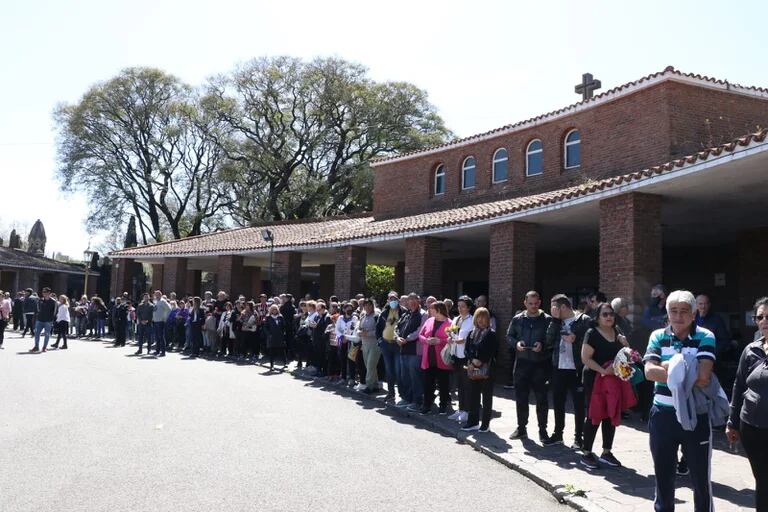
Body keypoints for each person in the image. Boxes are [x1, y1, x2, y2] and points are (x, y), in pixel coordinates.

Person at [644, 290, 716, 512]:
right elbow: (648, 372)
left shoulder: (705, 336)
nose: (678, 316)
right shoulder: (657, 335)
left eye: (684, 311)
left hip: (696, 414)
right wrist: (683, 367)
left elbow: (704, 377)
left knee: (700, 479)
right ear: (667, 313)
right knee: (663, 475)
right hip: (662, 415)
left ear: (694, 314)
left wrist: (667, 366)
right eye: (673, 311)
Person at [726, 297, 768, 512]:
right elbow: (739, 384)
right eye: (759, 317)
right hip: (751, 426)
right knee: (762, 479)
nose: (764, 321)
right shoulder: (751, 350)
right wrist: (732, 421)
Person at [579, 302, 631, 469]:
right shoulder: (591, 333)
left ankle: (606, 452)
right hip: (594, 378)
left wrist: (625, 344)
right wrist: (602, 370)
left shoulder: (617, 332)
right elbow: (585, 358)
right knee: (594, 414)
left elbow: (628, 355)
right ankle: (586, 453)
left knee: (611, 412)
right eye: (605, 314)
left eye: (611, 314)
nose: (609, 317)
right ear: (598, 317)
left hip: (613, 379)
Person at [544, 294, 591, 449]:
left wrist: (575, 339)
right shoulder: (556, 321)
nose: (552, 311)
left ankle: (579, 438)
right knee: (558, 402)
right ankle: (558, 434)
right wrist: (555, 320)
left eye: (554, 307)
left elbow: (590, 343)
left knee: (578, 404)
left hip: (576, 368)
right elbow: (548, 341)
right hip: (559, 367)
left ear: (563, 307)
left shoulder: (583, 320)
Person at [507, 291, 552, 442]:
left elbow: (552, 339)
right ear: (525, 303)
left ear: (539, 303)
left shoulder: (547, 319)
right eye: (530, 303)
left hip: (540, 364)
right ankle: (521, 428)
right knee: (521, 398)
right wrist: (516, 344)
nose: (533, 306)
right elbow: (509, 336)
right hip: (521, 364)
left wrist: (543, 345)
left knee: (542, 399)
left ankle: (543, 430)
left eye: (536, 303)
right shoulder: (517, 319)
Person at [461, 307, 498, 432]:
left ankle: (485, 424)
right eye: (479, 317)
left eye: (484, 317)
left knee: (487, 397)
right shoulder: (471, 333)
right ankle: (472, 422)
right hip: (472, 367)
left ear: (488, 319)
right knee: (473, 396)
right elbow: (467, 350)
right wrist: (471, 361)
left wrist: (480, 360)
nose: (481, 320)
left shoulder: (491, 333)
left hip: (486, 369)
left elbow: (492, 351)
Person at [418, 301, 452, 415]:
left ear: (439, 310)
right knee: (428, 384)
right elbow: (420, 335)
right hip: (429, 359)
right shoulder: (429, 320)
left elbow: (452, 339)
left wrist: (440, 341)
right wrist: (426, 340)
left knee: (443, 384)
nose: (429, 310)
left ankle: (443, 405)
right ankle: (426, 405)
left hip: (442, 359)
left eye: (432, 308)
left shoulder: (450, 323)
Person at [395, 293, 427, 410]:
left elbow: (420, 330)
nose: (412, 301)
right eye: (410, 300)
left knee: (416, 377)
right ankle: (407, 398)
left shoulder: (423, 315)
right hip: (404, 349)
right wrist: (397, 337)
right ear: (407, 302)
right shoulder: (406, 314)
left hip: (415, 351)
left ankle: (417, 401)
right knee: (405, 376)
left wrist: (407, 339)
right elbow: (397, 328)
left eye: (414, 299)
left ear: (419, 301)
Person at [447, 296, 474, 422]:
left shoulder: (472, 320)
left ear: (468, 307)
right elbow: (452, 333)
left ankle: (467, 411)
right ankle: (461, 409)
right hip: (456, 354)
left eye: (463, 306)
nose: (460, 308)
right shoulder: (456, 319)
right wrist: (450, 337)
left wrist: (460, 340)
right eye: (458, 306)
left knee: (467, 384)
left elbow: (470, 338)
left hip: (465, 355)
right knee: (459, 384)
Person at [376, 292, 406, 401]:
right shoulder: (384, 312)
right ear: (388, 301)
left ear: (398, 300)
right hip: (385, 344)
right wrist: (379, 340)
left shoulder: (404, 312)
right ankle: (391, 393)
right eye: (390, 299)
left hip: (397, 345)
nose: (393, 301)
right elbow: (378, 328)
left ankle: (402, 395)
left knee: (398, 370)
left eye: (395, 299)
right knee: (389, 370)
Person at [694, 294, 731, 361]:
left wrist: (711, 353)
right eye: (700, 304)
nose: (703, 306)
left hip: (711, 356)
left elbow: (724, 340)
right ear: (696, 305)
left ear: (709, 305)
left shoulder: (717, 319)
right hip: (692, 356)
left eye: (706, 304)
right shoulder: (691, 319)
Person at [357, 299, 381, 393]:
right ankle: (375, 385)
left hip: (374, 344)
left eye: (369, 305)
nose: (367, 307)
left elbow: (380, 331)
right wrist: (359, 332)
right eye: (365, 305)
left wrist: (368, 333)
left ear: (372, 306)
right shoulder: (362, 316)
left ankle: (369, 386)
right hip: (365, 344)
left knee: (371, 365)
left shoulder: (376, 316)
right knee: (369, 365)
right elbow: (358, 328)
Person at [31, 287, 56, 352]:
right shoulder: (40, 300)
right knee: (36, 333)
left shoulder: (53, 302)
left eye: (45, 292)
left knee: (47, 334)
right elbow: (37, 310)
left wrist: (52, 320)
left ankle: (44, 347)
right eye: (43, 292)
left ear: (49, 293)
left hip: (48, 321)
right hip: (39, 320)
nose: (43, 293)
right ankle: (36, 346)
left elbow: (55, 312)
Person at [263, 304, 288, 370]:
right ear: (271, 310)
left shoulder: (280, 317)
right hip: (271, 337)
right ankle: (272, 365)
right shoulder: (268, 317)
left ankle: (285, 363)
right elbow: (265, 327)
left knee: (282, 350)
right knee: (272, 351)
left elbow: (284, 326)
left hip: (279, 336)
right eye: (273, 309)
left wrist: (283, 333)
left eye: (276, 309)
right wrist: (269, 334)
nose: (274, 311)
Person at [152, 290, 171, 356]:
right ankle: (157, 350)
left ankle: (163, 351)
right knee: (157, 337)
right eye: (155, 295)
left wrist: (165, 318)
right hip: (155, 321)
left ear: (160, 295)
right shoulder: (156, 301)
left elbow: (169, 309)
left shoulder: (163, 301)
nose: (156, 296)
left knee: (161, 336)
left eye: (157, 295)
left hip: (160, 321)